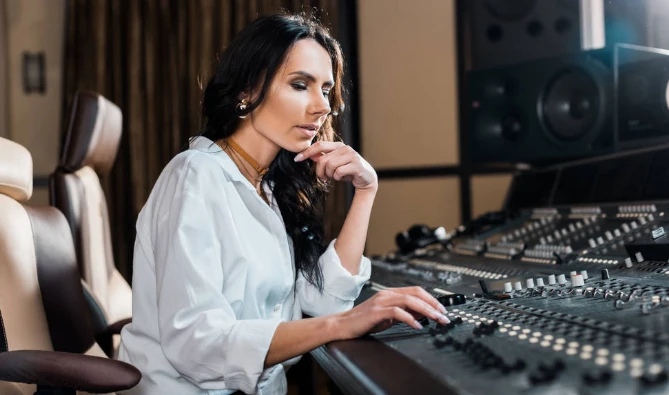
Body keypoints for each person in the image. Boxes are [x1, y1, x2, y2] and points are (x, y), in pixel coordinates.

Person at [117, 12, 450, 395]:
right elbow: (197, 345)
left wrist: (365, 191)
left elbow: (322, 304)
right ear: (246, 90)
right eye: (299, 84)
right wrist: (345, 324)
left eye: (325, 90)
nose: (321, 106)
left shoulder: (267, 187)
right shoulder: (194, 175)